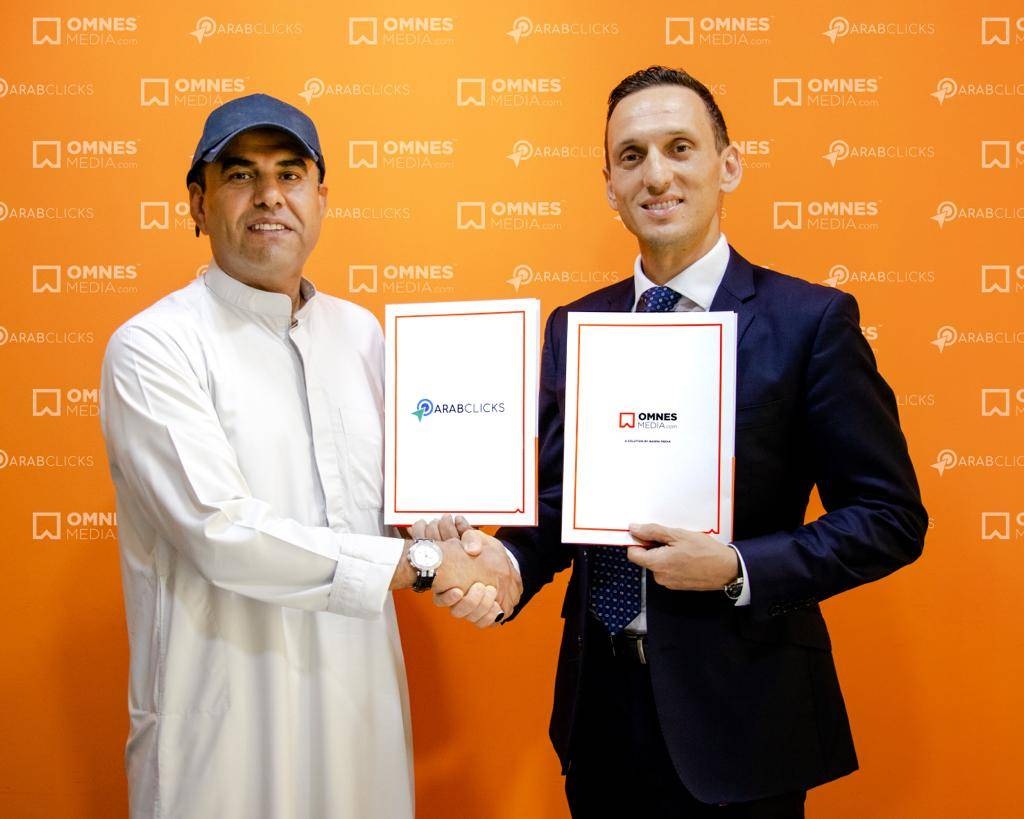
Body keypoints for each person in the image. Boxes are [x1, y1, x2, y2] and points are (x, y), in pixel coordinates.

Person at [437, 66, 927, 817]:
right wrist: (503, 562)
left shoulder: (811, 322)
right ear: (608, 184)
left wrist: (735, 566)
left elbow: (889, 516)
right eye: (631, 156)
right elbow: (559, 501)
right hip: (599, 714)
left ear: (727, 164)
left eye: (679, 147)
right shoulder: (574, 325)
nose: (656, 174)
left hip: (744, 720)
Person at [99, 94, 517, 819]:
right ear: (196, 203)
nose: (270, 196)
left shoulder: (361, 336)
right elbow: (222, 533)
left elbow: (401, 515)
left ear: (321, 199)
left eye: (290, 174)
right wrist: (423, 566)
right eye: (240, 175)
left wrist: (457, 549)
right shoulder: (153, 347)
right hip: (225, 732)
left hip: (361, 717)